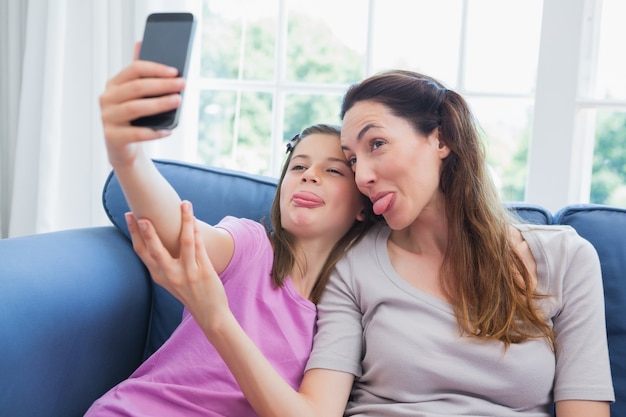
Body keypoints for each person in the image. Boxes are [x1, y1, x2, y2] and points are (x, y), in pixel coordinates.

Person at [131, 69, 615, 417]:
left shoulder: (567, 258)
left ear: (441, 138)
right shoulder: (355, 265)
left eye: (376, 144)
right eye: (352, 158)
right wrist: (128, 155)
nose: (363, 174)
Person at [83, 53, 376, 416]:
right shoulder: (250, 246)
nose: (308, 174)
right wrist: (129, 158)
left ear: (363, 205)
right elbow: (178, 231)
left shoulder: (342, 310)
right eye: (298, 165)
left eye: (333, 171)